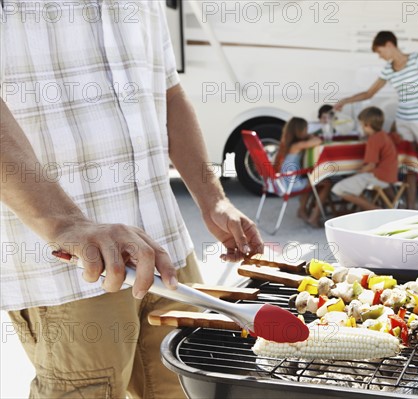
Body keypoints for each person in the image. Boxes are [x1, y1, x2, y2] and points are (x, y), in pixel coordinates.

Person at [0, 2, 263, 397]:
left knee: (193, 389)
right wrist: (67, 224)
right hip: (71, 268)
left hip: (166, 248)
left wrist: (213, 199)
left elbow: (169, 90)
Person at [334, 30, 418, 209]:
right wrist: (345, 101)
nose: (380, 57)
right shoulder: (388, 70)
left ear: (389, 44)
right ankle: (410, 211)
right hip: (403, 122)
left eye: (380, 52)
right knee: (410, 167)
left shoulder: (417, 59)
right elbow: (370, 93)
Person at [331, 107, 398, 211]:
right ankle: (368, 208)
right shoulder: (383, 135)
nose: (361, 127)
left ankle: (374, 209)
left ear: (367, 125)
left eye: (361, 124)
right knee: (352, 185)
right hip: (389, 176)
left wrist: (356, 173)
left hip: (378, 176)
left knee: (339, 189)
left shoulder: (374, 139)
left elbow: (371, 165)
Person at [274, 117, 332, 227]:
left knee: (310, 179)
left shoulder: (286, 143)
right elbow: (318, 141)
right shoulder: (297, 145)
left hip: (284, 181)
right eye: (306, 129)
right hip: (291, 184)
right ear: (299, 131)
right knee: (327, 182)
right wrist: (310, 136)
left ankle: (302, 210)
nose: (307, 131)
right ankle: (314, 217)